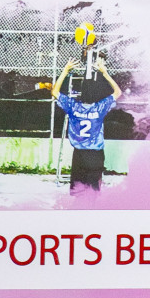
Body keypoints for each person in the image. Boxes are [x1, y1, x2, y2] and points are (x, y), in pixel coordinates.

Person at [49, 54, 121, 194]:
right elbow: (118, 92)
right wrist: (104, 72)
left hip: (80, 155)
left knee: (79, 193)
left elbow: (55, 92)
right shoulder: (100, 107)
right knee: (93, 193)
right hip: (95, 155)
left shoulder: (73, 106)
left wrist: (65, 70)